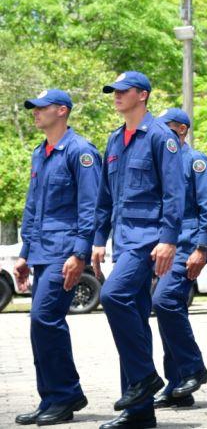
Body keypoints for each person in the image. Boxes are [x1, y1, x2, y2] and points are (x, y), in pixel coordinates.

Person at [93, 71, 186, 429]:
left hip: (148, 239)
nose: (116, 96)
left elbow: (174, 194)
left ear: (143, 95)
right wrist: (99, 239)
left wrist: (169, 239)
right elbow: (105, 197)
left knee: (114, 297)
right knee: (131, 314)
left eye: (123, 91)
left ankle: (144, 377)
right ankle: (139, 412)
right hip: (123, 239)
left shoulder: (162, 138)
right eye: (113, 91)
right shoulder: (116, 140)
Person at [14, 89, 100, 426]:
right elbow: (33, 207)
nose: (35, 113)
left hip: (64, 251)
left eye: (41, 108)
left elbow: (90, 207)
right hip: (41, 251)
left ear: (61, 111)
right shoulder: (41, 153)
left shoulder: (80, 152)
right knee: (40, 325)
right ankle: (52, 396)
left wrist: (80, 254)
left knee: (44, 319)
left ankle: (65, 395)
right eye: (33, 108)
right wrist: (23, 253)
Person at [151, 108, 207, 410]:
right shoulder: (161, 164)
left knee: (164, 301)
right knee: (168, 309)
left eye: (166, 128)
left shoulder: (196, 162)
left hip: (186, 246)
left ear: (181, 130)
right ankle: (178, 385)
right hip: (162, 247)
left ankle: (193, 368)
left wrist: (202, 249)